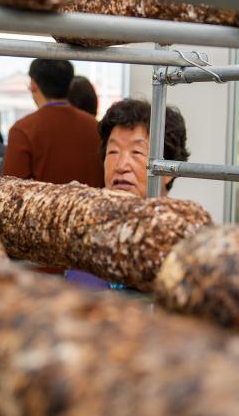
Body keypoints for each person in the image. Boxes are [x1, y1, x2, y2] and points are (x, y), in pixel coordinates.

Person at [66, 98, 189, 288]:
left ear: (168, 171)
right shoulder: (84, 236)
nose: (121, 166)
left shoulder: (182, 245)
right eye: (113, 152)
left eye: (137, 152)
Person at [2, 59, 103, 187]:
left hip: (42, 201)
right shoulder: (96, 127)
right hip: (94, 200)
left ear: (33, 85)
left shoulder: (23, 130)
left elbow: (10, 190)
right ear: (70, 86)